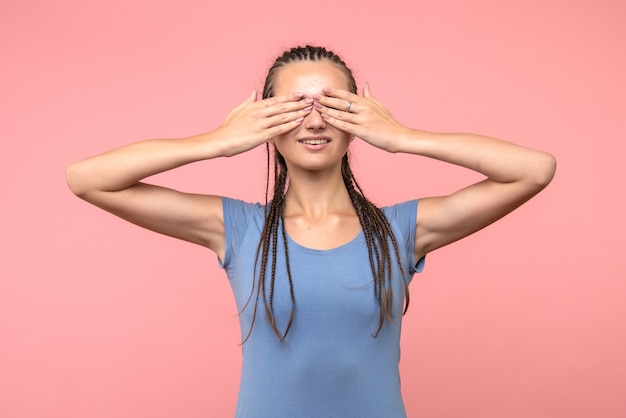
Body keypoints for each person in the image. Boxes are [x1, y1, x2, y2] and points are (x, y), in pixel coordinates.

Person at [66, 45, 556, 417]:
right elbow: (87, 179)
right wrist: (215, 142)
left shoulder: (401, 230)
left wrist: (403, 137)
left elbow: (534, 169)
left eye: (332, 103)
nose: (315, 119)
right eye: (295, 105)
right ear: (265, 118)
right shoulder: (237, 228)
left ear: (358, 115)